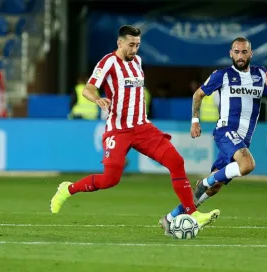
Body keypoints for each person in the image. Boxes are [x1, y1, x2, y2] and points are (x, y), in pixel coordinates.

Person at [50, 25, 220, 230]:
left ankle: (193, 214)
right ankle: (68, 189)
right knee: (110, 180)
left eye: (138, 45)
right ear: (119, 43)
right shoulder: (108, 62)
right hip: (118, 130)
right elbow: (88, 88)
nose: (134, 50)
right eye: (131, 45)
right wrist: (98, 100)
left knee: (176, 161)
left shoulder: (138, 61)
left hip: (142, 127)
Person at [158, 36, 267, 235]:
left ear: (251, 53)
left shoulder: (260, 75)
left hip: (242, 139)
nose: (240, 56)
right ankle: (204, 182)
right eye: (236, 52)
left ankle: (169, 218)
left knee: (214, 188)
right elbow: (198, 94)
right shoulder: (221, 75)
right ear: (230, 53)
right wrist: (195, 121)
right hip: (225, 131)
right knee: (247, 165)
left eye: (244, 52)